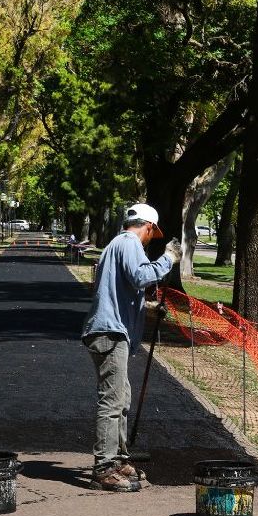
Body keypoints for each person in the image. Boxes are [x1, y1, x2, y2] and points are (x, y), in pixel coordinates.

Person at [81, 203, 181, 492]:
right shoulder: (129, 243)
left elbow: (121, 291)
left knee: (121, 397)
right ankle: (104, 467)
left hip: (109, 329)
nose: (152, 238)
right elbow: (141, 277)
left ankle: (119, 458)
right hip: (110, 332)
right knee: (112, 402)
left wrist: (147, 308)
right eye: (153, 233)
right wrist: (168, 259)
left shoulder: (116, 246)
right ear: (147, 226)